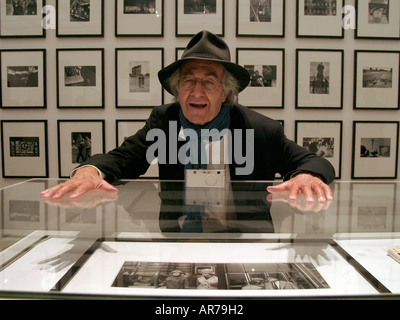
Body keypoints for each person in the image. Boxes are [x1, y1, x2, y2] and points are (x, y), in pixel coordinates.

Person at [41, 30, 334, 203]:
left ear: (225, 93)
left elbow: (314, 162)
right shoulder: (164, 122)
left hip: (245, 239)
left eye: (209, 82)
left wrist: (307, 176)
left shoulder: (260, 130)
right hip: (178, 238)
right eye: (188, 81)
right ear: (177, 89)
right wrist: (90, 171)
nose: (197, 91)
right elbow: (122, 158)